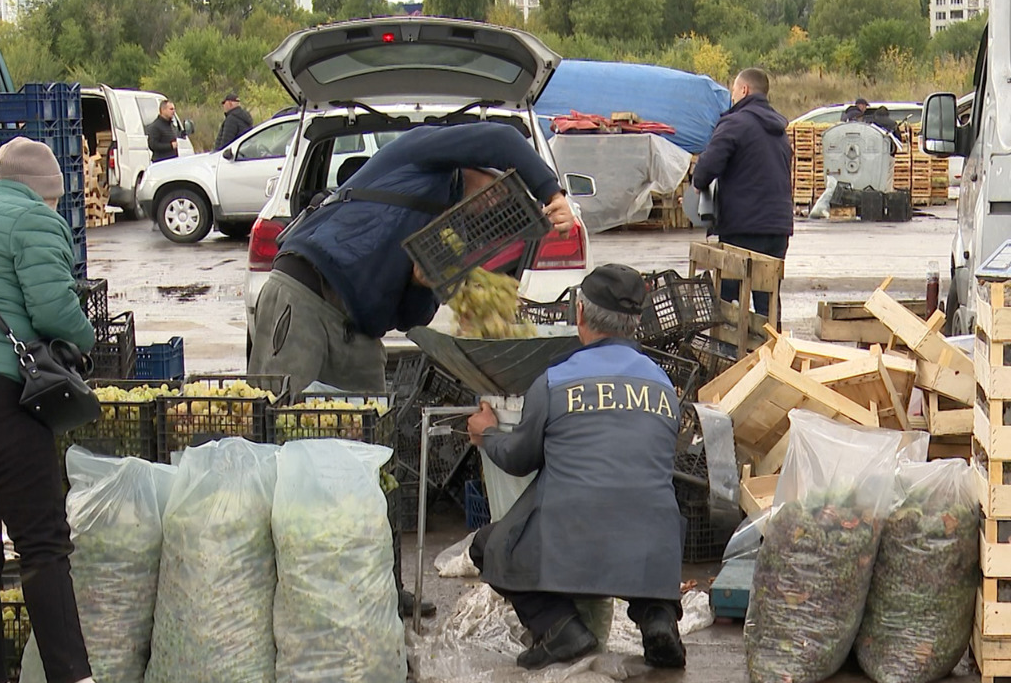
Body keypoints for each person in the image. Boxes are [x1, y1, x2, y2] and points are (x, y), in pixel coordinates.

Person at [248, 121, 574, 618]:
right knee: (282, 439)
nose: (489, 210)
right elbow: (506, 140)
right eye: (495, 198)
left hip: (359, 330)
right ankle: (266, 582)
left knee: (370, 457)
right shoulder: (421, 156)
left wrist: (423, 284)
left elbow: (407, 317)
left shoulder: (445, 234)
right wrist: (552, 192)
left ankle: (380, 585)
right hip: (305, 296)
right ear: (483, 172)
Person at [466, 263, 686, 672]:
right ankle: (659, 617)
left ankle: (559, 626)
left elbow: (519, 459)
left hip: (573, 538)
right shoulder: (663, 385)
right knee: (640, 515)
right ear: (635, 323)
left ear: (580, 315)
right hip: (654, 549)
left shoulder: (554, 381)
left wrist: (488, 434)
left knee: (490, 545)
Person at [0, 138, 97, 683]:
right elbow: (54, 309)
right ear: (45, 192)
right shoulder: (32, 217)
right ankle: (72, 677)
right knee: (42, 544)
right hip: (0, 402)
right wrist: (85, 341)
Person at [692, 67, 793, 318]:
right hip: (778, 228)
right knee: (767, 299)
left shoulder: (735, 123)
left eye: (734, 90)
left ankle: (731, 354)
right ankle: (771, 351)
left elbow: (707, 167)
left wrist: (698, 184)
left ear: (744, 90)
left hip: (744, 227)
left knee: (728, 299)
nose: (732, 96)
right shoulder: (779, 130)